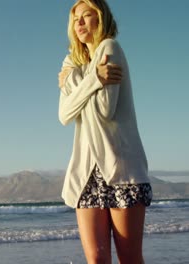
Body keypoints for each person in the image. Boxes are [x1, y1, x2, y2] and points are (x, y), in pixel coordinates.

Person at [57, 0, 152, 263]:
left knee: (129, 258)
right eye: (76, 18)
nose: (79, 23)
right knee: (96, 260)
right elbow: (64, 115)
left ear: (101, 19)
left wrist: (76, 81)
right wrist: (91, 78)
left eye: (87, 16)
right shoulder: (71, 62)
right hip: (86, 175)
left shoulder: (110, 48)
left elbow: (104, 110)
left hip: (121, 170)